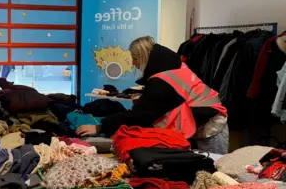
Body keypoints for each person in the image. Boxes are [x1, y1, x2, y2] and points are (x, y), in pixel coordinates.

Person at [76, 36, 229, 154]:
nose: (133, 64)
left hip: (210, 128)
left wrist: (99, 127)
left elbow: (140, 115)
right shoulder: (173, 66)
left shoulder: (162, 80)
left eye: (135, 58)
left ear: (143, 56)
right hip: (205, 121)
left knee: (214, 174)